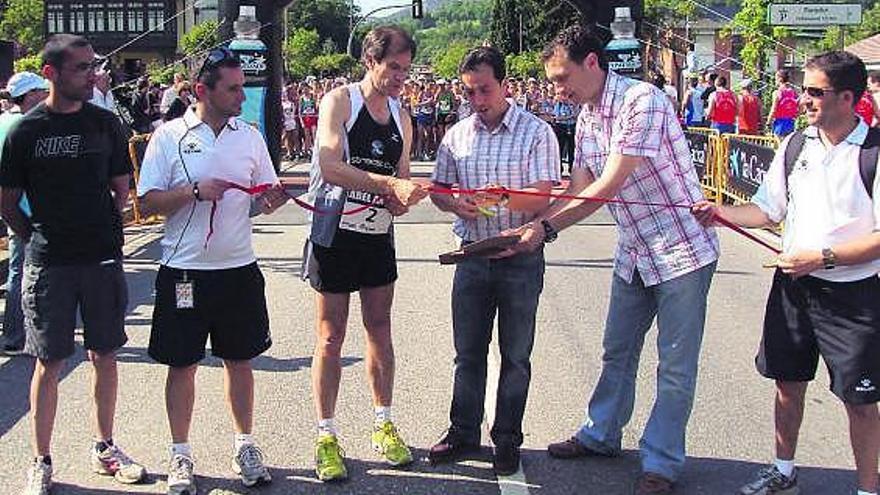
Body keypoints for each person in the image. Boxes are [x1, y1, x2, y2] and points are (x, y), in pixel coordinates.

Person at [504, 26, 719, 495]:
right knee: (617, 351)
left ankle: (661, 462)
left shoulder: (642, 102)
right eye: (554, 81)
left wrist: (543, 229)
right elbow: (579, 186)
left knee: (675, 366)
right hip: (635, 252)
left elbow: (607, 188)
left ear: (593, 63)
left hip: (682, 251)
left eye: (563, 78)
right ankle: (601, 434)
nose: (558, 89)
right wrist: (530, 217)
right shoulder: (585, 117)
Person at [694, 50, 880, 495]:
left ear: (848, 97)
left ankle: (867, 489)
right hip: (793, 287)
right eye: (803, 90)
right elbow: (766, 209)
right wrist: (719, 211)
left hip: (853, 297)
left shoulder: (873, 153)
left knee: (860, 401)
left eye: (815, 92)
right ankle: (783, 470)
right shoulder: (795, 145)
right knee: (787, 383)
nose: (804, 100)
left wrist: (823, 257)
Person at [0, 34, 147, 495]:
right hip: (49, 263)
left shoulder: (105, 125)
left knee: (105, 355)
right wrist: (37, 238)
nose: (92, 74)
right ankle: (41, 459)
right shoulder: (25, 131)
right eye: (81, 67)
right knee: (49, 360)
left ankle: (105, 445)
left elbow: (121, 190)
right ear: (51, 73)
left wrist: (101, 228)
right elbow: (7, 204)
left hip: (101, 258)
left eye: (91, 66)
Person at [137, 47, 287, 494]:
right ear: (203, 91)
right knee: (182, 365)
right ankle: (180, 453)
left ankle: (245, 445)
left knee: (240, 361)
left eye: (244, 87)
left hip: (239, 269)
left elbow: (263, 198)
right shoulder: (169, 136)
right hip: (184, 271)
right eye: (234, 88)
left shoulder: (250, 136)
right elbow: (145, 204)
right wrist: (194, 191)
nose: (242, 96)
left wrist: (268, 202)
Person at [302, 26, 427, 482]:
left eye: (406, 70)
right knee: (331, 336)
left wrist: (402, 196)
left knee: (380, 328)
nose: (399, 77)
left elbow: (402, 175)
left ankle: (383, 423)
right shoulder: (340, 101)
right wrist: (386, 185)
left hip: (376, 235)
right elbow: (331, 166)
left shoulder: (402, 115)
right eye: (393, 67)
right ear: (370, 61)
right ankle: (326, 435)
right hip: (336, 233)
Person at [427, 45, 560, 476]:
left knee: (516, 355)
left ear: (505, 85)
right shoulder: (456, 135)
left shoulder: (537, 132)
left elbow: (544, 195)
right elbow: (439, 190)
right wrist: (455, 203)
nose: (478, 101)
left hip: (521, 256)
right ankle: (463, 430)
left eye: (484, 90)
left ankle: (507, 438)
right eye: (469, 93)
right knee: (467, 352)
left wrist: (505, 197)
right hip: (472, 256)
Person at [0, 72, 48, 355]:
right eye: (41, 91)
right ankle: (17, 336)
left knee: (19, 270)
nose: (46, 95)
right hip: (27, 208)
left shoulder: (3, 120)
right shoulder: (28, 125)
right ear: (30, 96)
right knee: (23, 271)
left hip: (9, 204)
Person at [767, 69, 800, 138]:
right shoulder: (793, 92)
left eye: (775, 79)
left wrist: (768, 122)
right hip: (791, 123)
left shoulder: (777, 92)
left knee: (778, 146)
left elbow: (773, 109)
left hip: (780, 123)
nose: (775, 81)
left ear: (780, 79)